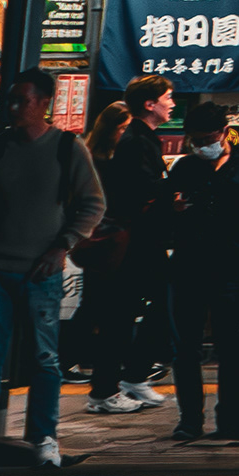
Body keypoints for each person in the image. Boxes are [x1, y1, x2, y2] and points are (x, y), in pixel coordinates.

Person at [0, 70, 104, 472]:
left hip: (40, 269)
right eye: (10, 100)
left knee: (45, 358)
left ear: (44, 102)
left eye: (22, 100)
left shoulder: (67, 147)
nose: (13, 108)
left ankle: (44, 436)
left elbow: (92, 204)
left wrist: (61, 245)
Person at [161, 99, 239, 442]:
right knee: (185, 347)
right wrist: (172, 206)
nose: (202, 146)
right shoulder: (185, 166)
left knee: (230, 344)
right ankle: (189, 419)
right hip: (187, 264)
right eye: (196, 140)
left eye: (208, 138)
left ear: (225, 132)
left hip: (231, 264)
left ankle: (229, 417)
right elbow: (162, 210)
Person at [82, 78, 175, 414]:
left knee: (154, 307)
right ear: (149, 104)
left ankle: (132, 378)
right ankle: (106, 391)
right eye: (168, 97)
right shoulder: (136, 141)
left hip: (141, 240)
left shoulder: (142, 138)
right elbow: (142, 190)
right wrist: (173, 195)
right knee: (120, 315)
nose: (172, 103)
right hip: (133, 241)